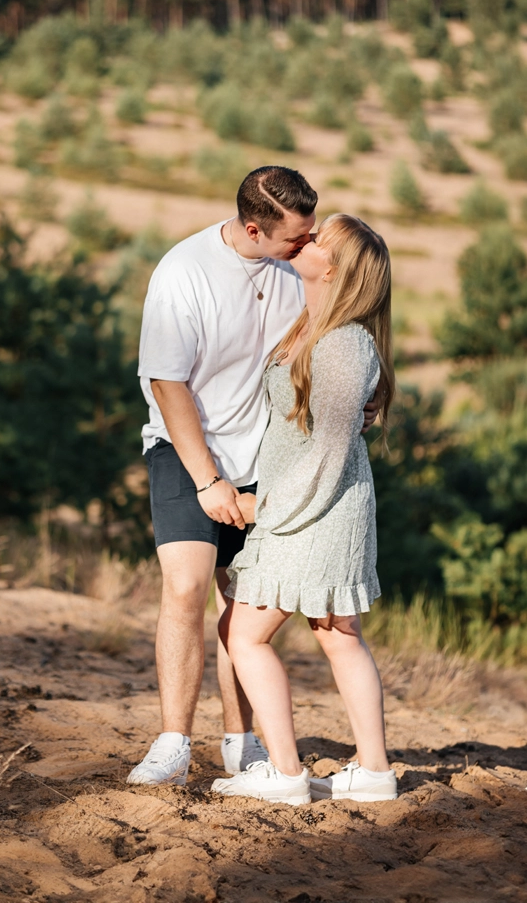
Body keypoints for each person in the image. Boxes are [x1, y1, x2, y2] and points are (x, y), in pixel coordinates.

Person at [126, 169, 380, 788]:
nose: (307, 245)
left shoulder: (300, 271)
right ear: (253, 229)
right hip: (191, 453)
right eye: (297, 239)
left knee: (241, 607)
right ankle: (172, 742)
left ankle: (242, 745)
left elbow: (339, 347)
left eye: (312, 235)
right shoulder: (182, 272)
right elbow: (167, 381)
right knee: (185, 588)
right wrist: (209, 481)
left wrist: (363, 397)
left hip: (269, 467)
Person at [213, 213, 397, 806]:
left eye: (319, 238)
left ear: (335, 267)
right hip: (309, 503)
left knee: (246, 634)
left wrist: (265, 509)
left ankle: (288, 774)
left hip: (317, 509)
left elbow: (328, 453)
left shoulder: (343, 343)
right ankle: (372, 772)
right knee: (338, 634)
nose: (306, 239)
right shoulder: (313, 325)